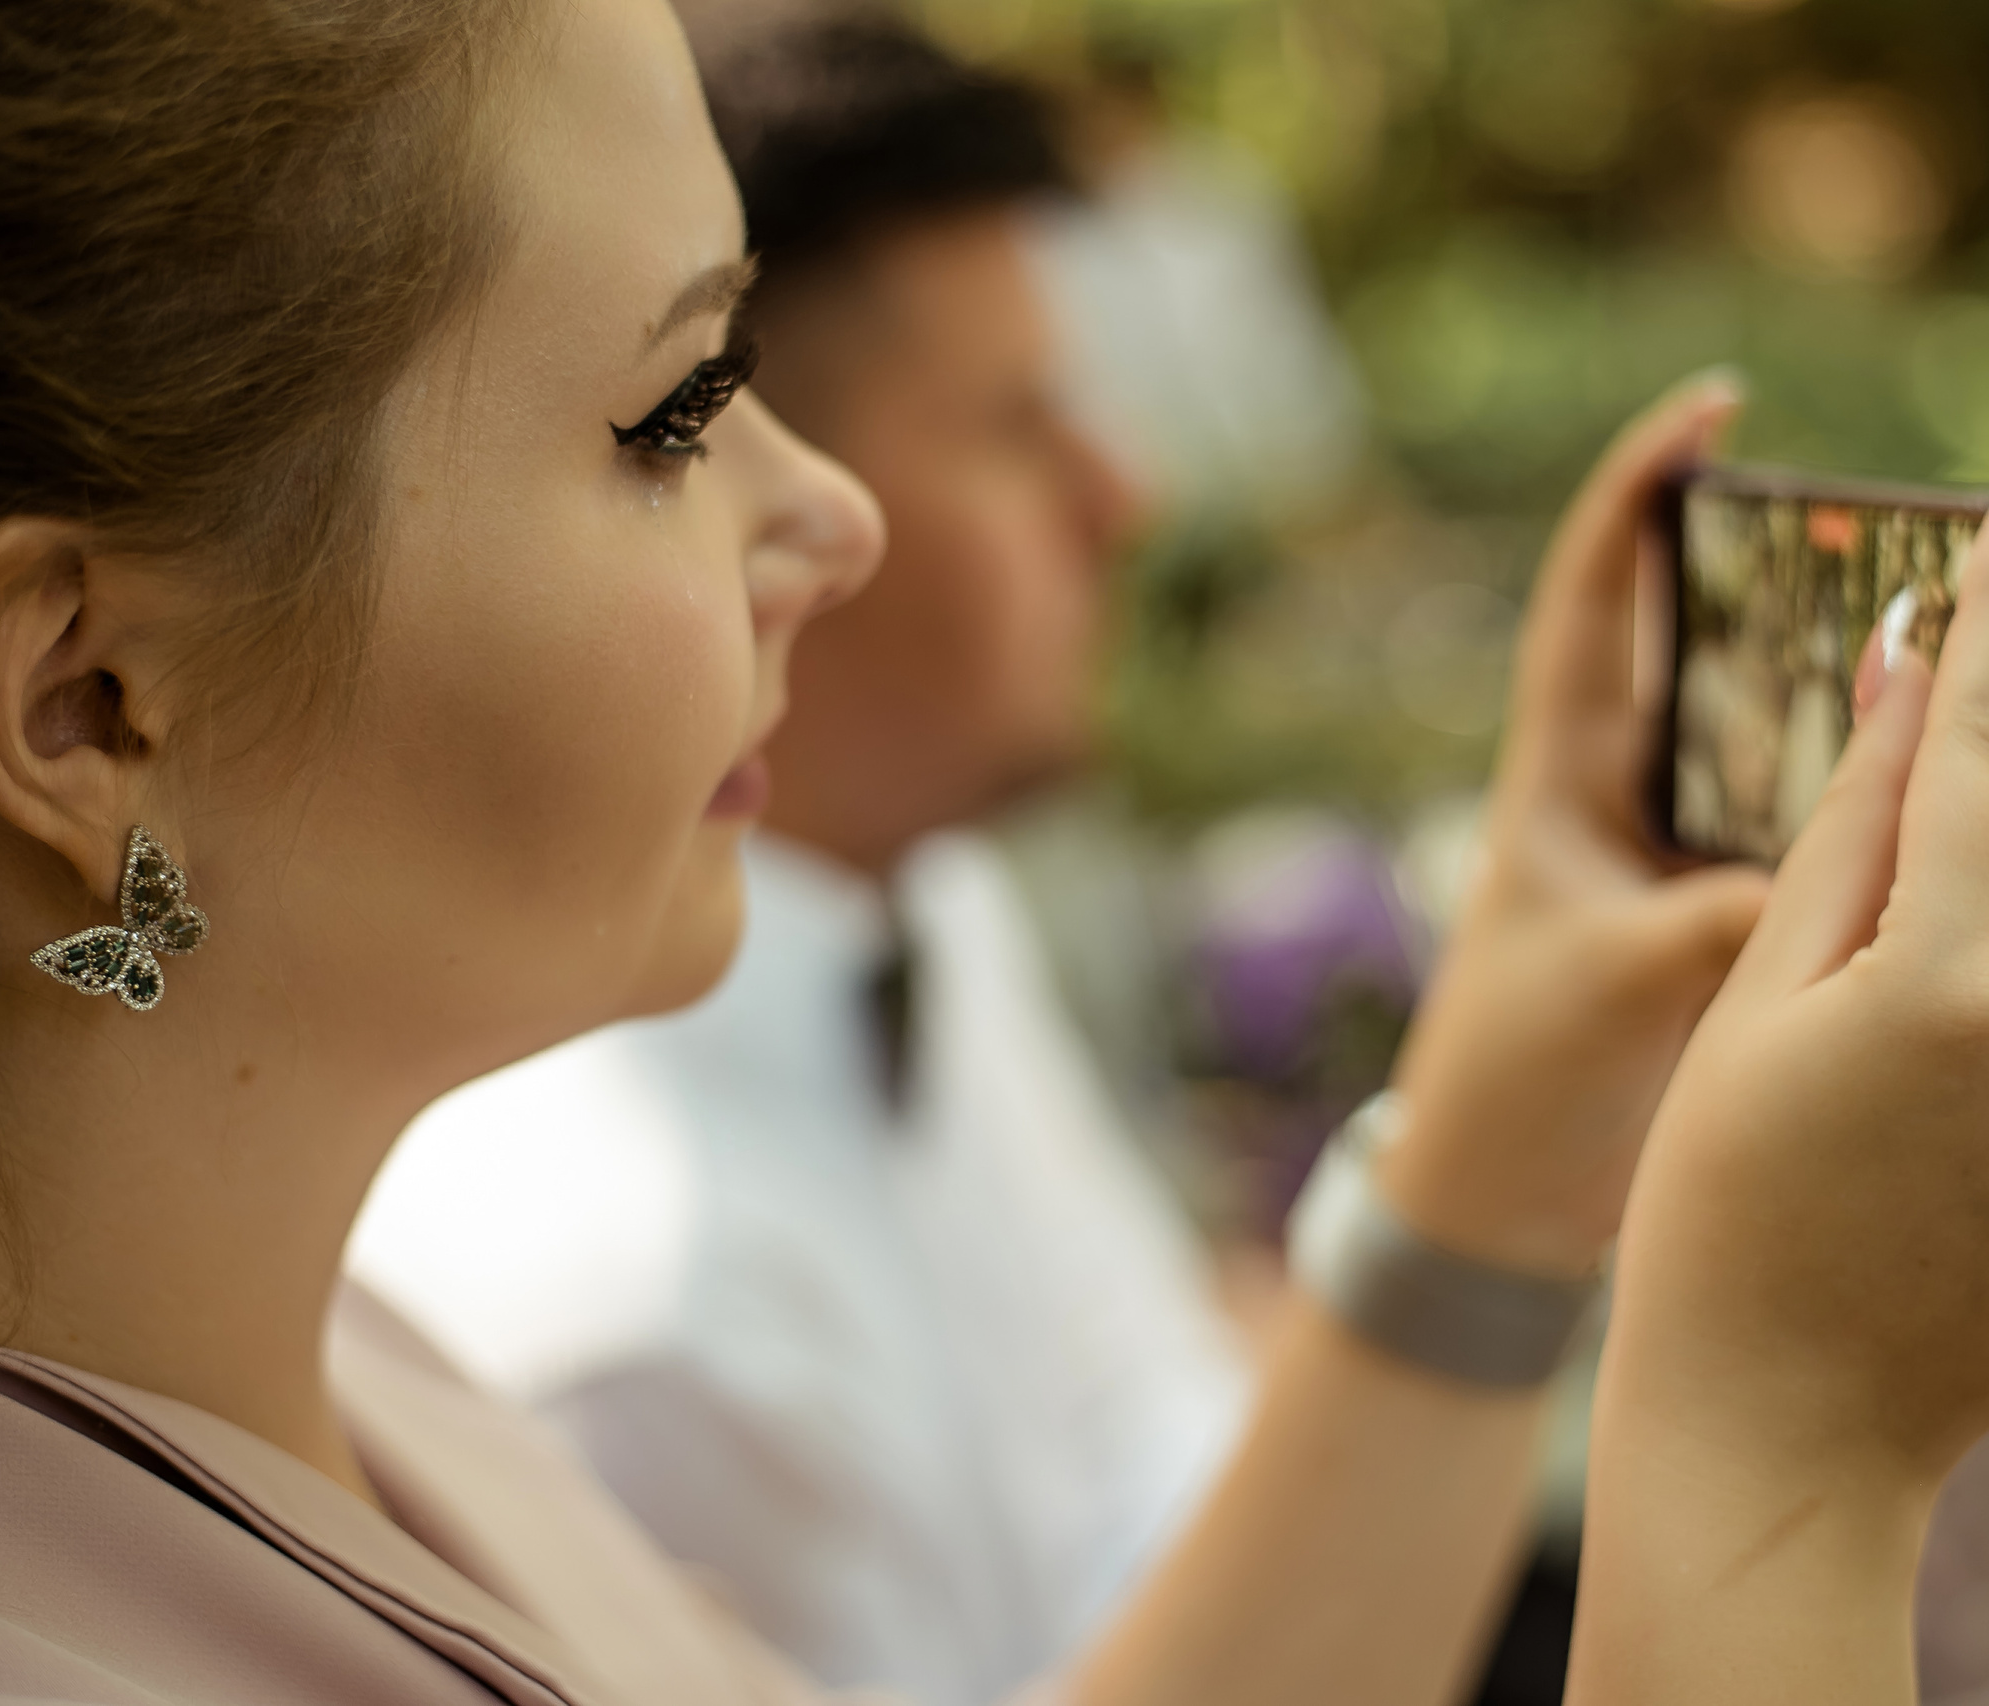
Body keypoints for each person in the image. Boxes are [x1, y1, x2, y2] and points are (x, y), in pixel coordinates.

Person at [0, 2, 1989, 1704]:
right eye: (679, 412)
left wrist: (1509, 1135)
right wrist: (1780, 1457)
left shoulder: (316, 1368)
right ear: (90, 702)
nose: (830, 515)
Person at [350, 24, 1256, 1701]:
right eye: (1017, 425)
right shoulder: (619, 1303)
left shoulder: (925, 909)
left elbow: (1158, 1439)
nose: (1125, 492)